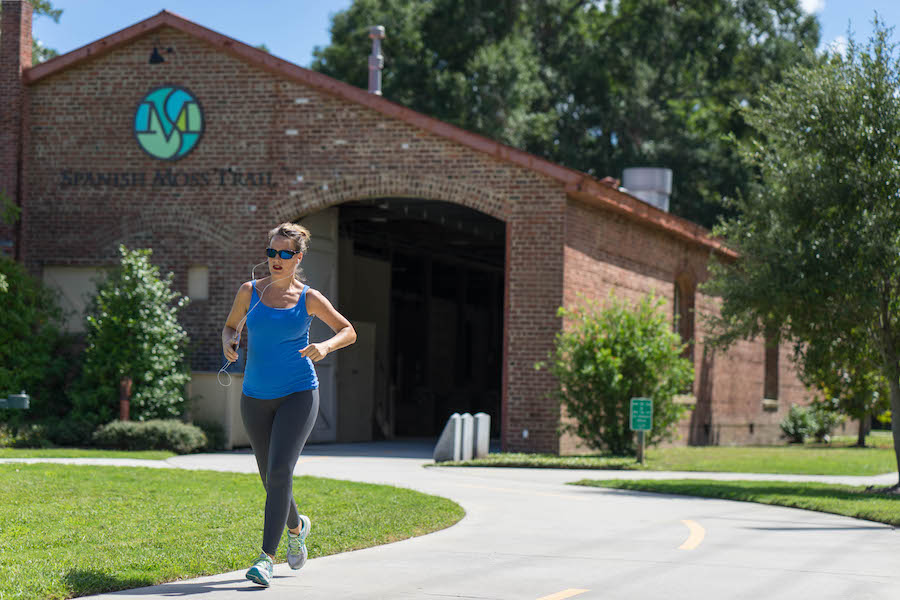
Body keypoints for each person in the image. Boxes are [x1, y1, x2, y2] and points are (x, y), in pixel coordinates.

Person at [221, 222, 357, 588]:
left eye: (284, 254)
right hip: (254, 397)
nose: (276, 260)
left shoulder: (308, 297)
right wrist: (229, 342)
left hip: (298, 393)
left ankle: (265, 558)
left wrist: (326, 346)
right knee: (271, 478)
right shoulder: (249, 292)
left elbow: (348, 330)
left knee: (280, 471)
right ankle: (296, 528)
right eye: (271, 253)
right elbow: (231, 326)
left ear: (298, 257)